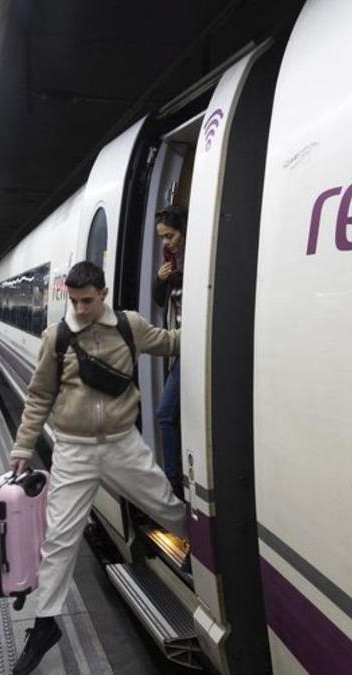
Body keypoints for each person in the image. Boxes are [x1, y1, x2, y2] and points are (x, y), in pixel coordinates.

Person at [7, 261, 186, 674]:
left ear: (103, 294)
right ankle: (45, 623)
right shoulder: (59, 337)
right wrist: (23, 447)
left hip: (123, 445)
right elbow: (38, 397)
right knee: (60, 540)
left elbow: (169, 343)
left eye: (87, 301)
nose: (80, 309)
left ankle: (205, 561)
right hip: (73, 450)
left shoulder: (130, 326)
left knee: (167, 505)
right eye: (73, 301)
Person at [152, 208, 186, 496]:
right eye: (163, 238)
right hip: (179, 348)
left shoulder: (198, 256)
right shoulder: (171, 262)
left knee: (165, 415)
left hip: (189, 347)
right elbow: (160, 302)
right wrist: (161, 280)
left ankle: (174, 483)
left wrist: (179, 278)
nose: (167, 243)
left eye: (170, 235)